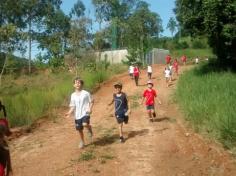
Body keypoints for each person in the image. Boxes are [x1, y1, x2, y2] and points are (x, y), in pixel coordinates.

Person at [65, 77, 94, 149]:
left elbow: (92, 101)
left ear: (82, 84)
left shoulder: (86, 93)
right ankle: (82, 142)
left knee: (85, 124)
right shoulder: (73, 95)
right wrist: (69, 113)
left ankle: (89, 128)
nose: (77, 84)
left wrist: (90, 109)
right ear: (73, 85)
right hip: (77, 115)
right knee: (79, 130)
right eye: (75, 83)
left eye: (79, 82)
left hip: (85, 112)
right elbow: (72, 106)